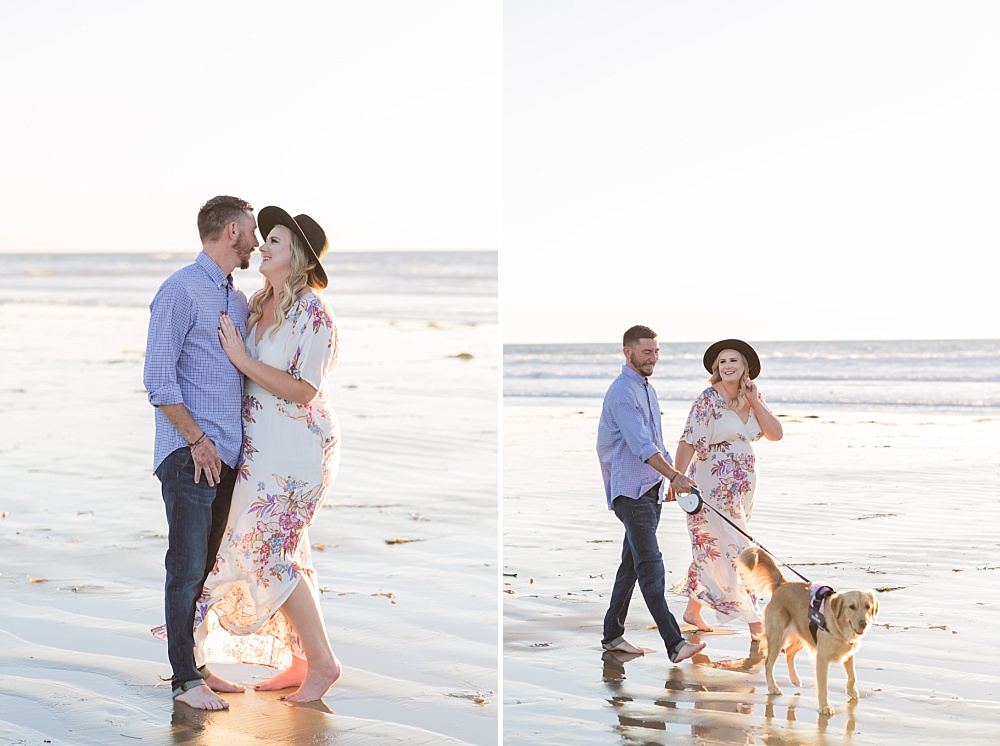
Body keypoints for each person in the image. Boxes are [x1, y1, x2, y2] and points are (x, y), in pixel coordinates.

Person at [192, 206, 342, 704]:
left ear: (295, 254)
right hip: (260, 447)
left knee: (269, 551)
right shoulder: (259, 303)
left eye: (274, 241)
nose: (262, 245)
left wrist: (241, 359)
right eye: (265, 238)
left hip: (297, 450)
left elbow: (304, 391)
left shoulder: (314, 313)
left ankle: (323, 665)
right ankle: (300, 663)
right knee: (286, 551)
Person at [143, 195, 259, 710]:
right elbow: (158, 381)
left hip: (226, 456)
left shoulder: (236, 301)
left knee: (207, 570)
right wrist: (198, 441)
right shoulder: (179, 291)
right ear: (232, 231)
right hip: (191, 453)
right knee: (186, 565)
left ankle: (198, 667)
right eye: (253, 231)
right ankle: (184, 682)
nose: (257, 241)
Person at [597, 325, 707, 664]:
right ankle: (674, 643)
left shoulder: (647, 389)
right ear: (627, 352)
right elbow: (640, 446)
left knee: (630, 566)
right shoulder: (622, 393)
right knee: (650, 565)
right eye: (647, 352)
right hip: (630, 491)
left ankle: (612, 635)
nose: (653, 358)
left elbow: (656, 440)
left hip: (650, 489)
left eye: (656, 352)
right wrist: (675, 475)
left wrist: (671, 480)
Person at [672, 339, 783, 637]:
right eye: (722, 362)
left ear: (745, 367)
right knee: (737, 547)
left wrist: (756, 401)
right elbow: (688, 439)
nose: (727, 366)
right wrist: (675, 477)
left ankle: (692, 611)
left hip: (743, 484)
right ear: (716, 369)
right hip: (711, 481)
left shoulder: (752, 397)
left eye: (733, 360)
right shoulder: (707, 398)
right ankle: (755, 621)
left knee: (713, 547)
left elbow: (775, 434)